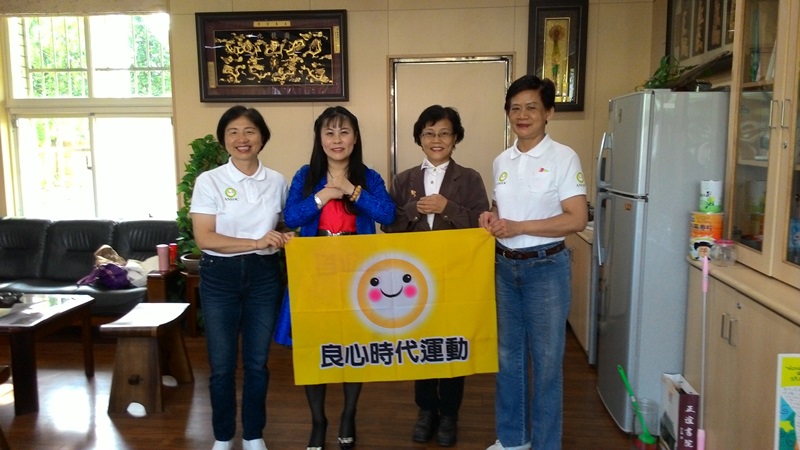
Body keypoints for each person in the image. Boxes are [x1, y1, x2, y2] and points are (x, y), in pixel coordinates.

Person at [478, 75, 587, 450]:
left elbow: (577, 218)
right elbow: (501, 208)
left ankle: (545, 444)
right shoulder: (501, 161)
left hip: (546, 269)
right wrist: (491, 217)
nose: (522, 115)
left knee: (546, 363)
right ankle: (512, 440)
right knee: (508, 358)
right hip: (504, 268)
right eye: (515, 109)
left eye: (531, 108)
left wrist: (520, 227)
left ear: (549, 113)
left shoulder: (563, 157)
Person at [283, 106, 395, 450]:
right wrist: (323, 196)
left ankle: (348, 415)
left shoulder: (368, 177)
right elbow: (291, 217)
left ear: (355, 138)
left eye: (344, 132)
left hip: (357, 272)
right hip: (314, 271)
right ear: (319, 139)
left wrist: (350, 189)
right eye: (329, 132)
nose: (337, 139)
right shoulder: (306, 175)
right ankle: (318, 421)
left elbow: (388, 214)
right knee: (314, 346)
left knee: (353, 346)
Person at [381, 104, 488, 447]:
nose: (436, 139)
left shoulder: (469, 178)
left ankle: (450, 413)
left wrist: (448, 208)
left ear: (455, 138)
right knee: (423, 343)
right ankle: (426, 410)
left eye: (444, 133)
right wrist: (415, 209)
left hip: (458, 275)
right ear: (419, 138)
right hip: (415, 279)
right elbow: (389, 225)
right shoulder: (404, 179)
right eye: (429, 133)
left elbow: (482, 225)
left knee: (453, 344)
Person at [190, 105, 293, 450]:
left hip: (264, 276)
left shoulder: (277, 181)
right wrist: (256, 242)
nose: (241, 138)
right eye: (232, 132)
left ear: (262, 137)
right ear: (223, 139)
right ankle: (222, 436)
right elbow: (204, 237)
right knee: (221, 365)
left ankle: (253, 434)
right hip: (220, 276)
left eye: (249, 131)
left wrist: (285, 235)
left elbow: (282, 224)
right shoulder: (210, 181)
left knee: (257, 363)